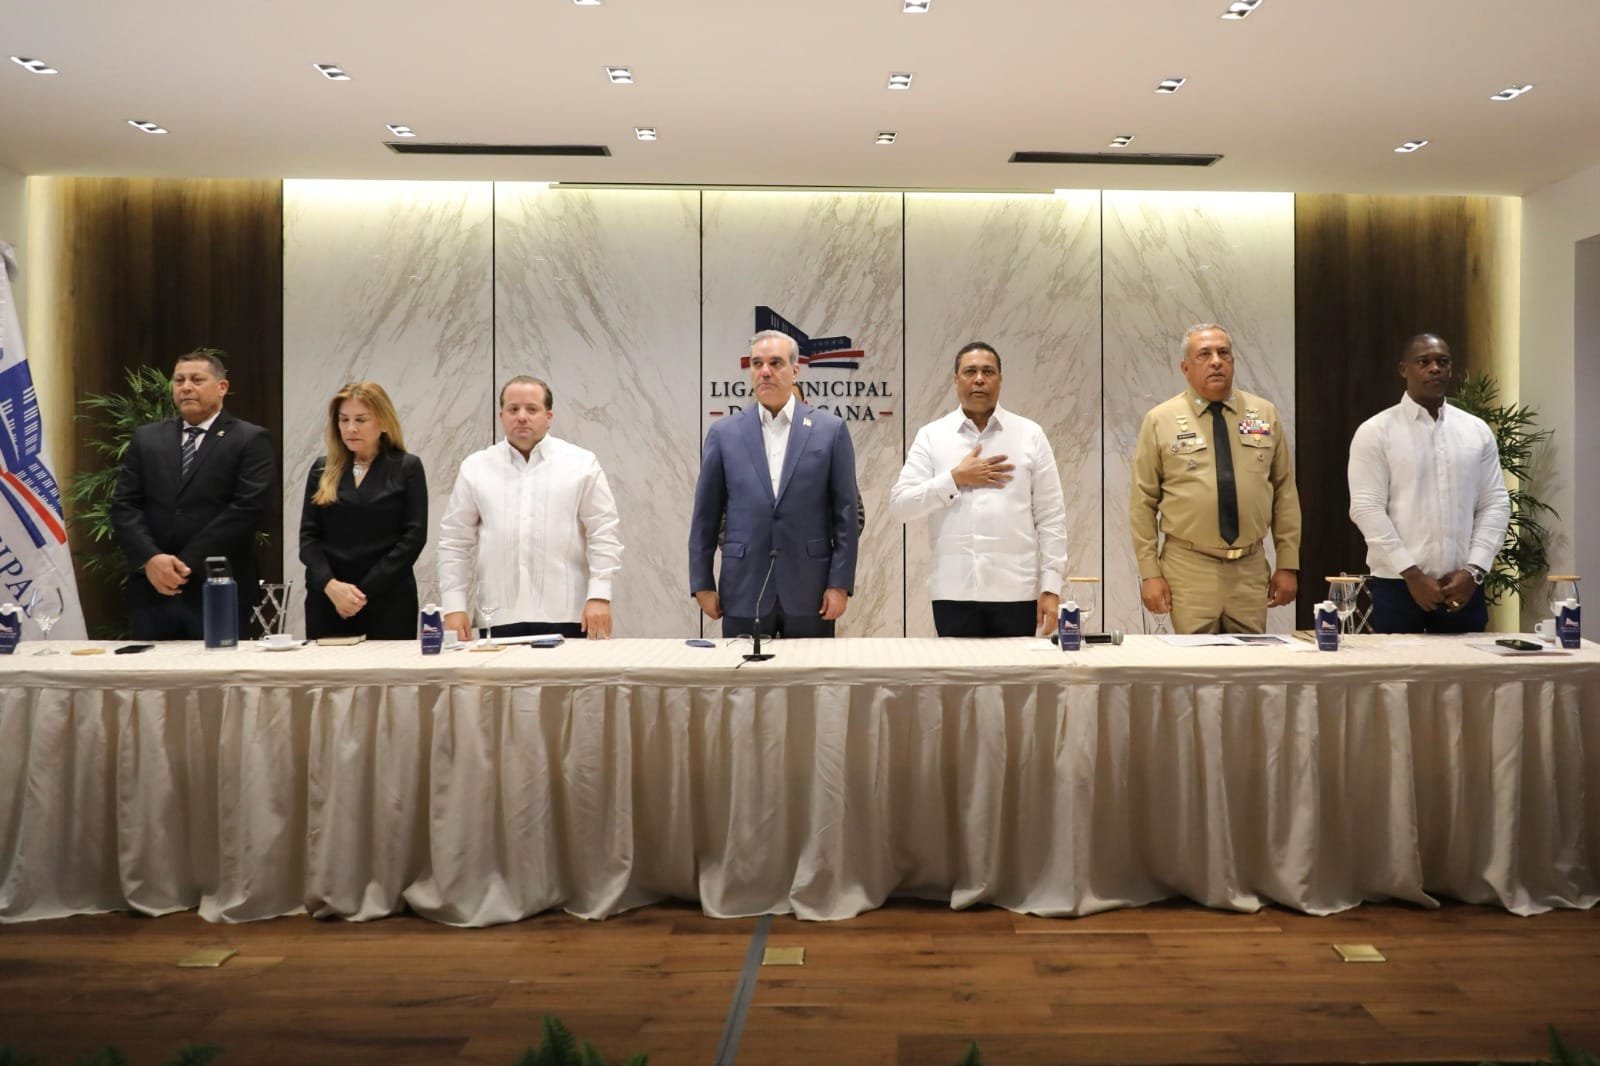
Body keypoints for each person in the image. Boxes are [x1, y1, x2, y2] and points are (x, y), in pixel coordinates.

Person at [1131, 323, 1301, 634]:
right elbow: (1142, 503)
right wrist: (1150, 573)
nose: (1216, 361)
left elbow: (1284, 494)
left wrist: (1287, 563)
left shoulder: (1264, 414)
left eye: (1223, 353)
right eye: (1204, 355)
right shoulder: (1161, 420)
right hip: (1188, 567)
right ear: (1185, 367)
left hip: (1250, 566)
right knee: (1196, 661)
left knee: (1251, 661)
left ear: (1233, 361)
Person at [889, 342, 1068, 637]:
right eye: (970, 371)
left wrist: (1051, 587)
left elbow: (1051, 517)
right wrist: (955, 478)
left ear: (1000, 379)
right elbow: (900, 506)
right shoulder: (932, 436)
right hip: (952, 593)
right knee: (957, 669)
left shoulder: (1030, 435)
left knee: (1018, 670)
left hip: (1016, 591)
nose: (979, 379)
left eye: (988, 371)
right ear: (956, 380)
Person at [689, 329, 858, 638]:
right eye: (757, 363)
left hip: (811, 590)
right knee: (740, 671)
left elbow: (846, 515)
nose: (765, 371)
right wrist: (702, 583)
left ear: (795, 371)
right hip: (743, 587)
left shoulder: (830, 430)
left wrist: (839, 583)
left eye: (776, 363)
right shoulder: (724, 434)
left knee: (811, 670)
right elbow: (705, 517)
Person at [437, 375, 621, 641]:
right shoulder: (476, 467)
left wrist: (600, 595)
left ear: (549, 416)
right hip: (498, 616)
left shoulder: (581, 463)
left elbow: (603, 533)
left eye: (532, 409)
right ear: (501, 416)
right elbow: (454, 541)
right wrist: (454, 607)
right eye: (513, 409)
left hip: (569, 613)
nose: (522, 417)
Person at [1347, 334, 1510, 633]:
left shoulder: (1475, 430)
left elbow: (1495, 503)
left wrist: (1474, 570)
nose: (1435, 368)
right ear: (1404, 369)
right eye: (1424, 362)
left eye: (1442, 362)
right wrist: (1412, 574)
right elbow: (1366, 508)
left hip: (1462, 586)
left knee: (1466, 664)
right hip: (1398, 585)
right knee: (1398, 665)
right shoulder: (1376, 431)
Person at [111, 347, 276, 640]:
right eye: (179, 380)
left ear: (222, 387)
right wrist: (152, 559)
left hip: (217, 585)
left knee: (218, 668)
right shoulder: (147, 438)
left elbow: (247, 509)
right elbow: (125, 504)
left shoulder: (250, 439)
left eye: (197, 380)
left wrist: (184, 564)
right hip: (152, 589)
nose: (186, 387)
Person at [298, 381, 428, 640]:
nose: (351, 428)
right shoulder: (322, 468)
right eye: (344, 419)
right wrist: (331, 586)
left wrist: (361, 593)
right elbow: (308, 539)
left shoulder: (406, 467)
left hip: (387, 598)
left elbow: (413, 538)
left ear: (383, 422)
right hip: (329, 597)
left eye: (360, 419)